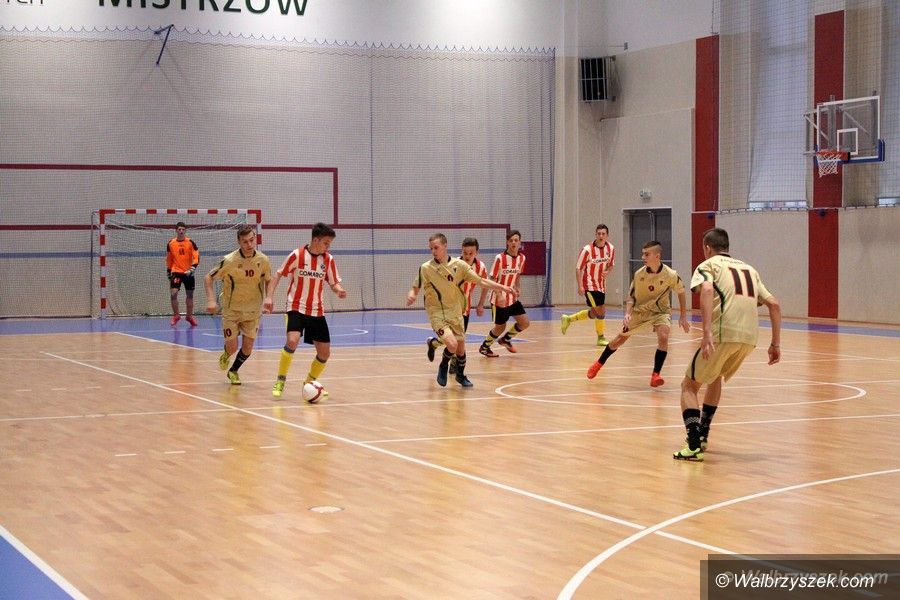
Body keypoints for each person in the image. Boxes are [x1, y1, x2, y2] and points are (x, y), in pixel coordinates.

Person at [673, 227, 781, 462]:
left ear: (707, 248)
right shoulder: (750, 269)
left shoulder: (708, 265)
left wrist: (707, 332)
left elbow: (707, 289)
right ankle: (703, 435)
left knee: (688, 386)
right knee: (715, 377)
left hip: (724, 332)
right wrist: (775, 344)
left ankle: (693, 444)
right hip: (749, 338)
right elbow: (773, 304)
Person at [408, 233, 516, 387]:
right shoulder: (426, 268)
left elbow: (482, 281)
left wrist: (503, 288)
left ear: (445, 246)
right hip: (437, 313)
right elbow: (415, 287)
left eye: (436, 248)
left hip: (457, 311)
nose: (433, 251)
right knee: (451, 344)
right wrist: (412, 294)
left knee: (460, 349)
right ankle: (443, 365)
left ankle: (460, 375)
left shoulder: (460, 266)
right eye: (431, 248)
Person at [586, 241, 690, 387]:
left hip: (660, 312)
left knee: (663, 336)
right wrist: (628, 313)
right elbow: (631, 297)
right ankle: (598, 364)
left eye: (646, 254)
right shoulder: (639, 274)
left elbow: (681, 291)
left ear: (657, 256)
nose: (643, 257)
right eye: (643, 254)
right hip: (640, 311)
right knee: (618, 341)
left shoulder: (670, 274)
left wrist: (683, 316)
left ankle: (655, 375)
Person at [264, 223, 347, 402]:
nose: (328, 247)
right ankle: (280, 380)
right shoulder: (297, 255)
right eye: (326, 243)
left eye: (329, 244)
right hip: (296, 306)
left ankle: (309, 383)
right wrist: (269, 297)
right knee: (292, 341)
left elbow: (333, 282)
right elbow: (277, 275)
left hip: (317, 311)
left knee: (324, 353)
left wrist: (339, 290)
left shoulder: (328, 259)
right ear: (316, 240)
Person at [204, 225, 272, 385]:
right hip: (232, 310)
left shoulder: (263, 260)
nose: (249, 244)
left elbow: (269, 280)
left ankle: (233, 371)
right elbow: (208, 277)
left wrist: (269, 297)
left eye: (251, 240)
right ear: (239, 242)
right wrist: (211, 300)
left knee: (248, 348)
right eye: (245, 242)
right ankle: (226, 354)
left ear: (255, 238)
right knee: (233, 347)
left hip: (253, 310)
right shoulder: (230, 260)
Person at [423, 237, 489, 375]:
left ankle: (434, 344)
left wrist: (481, 304)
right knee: (453, 340)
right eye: (465, 253)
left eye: (471, 253)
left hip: (465, 309)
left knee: (458, 339)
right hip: (449, 308)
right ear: (461, 251)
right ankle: (453, 365)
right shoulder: (454, 265)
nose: (467, 256)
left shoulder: (481, 267)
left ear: (477, 253)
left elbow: (484, 285)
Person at [561, 224, 615, 345]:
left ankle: (568, 319)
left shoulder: (610, 248)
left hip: (601, 285)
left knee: (594, 313)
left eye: (603, 234)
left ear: (607, 235)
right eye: (599, 233)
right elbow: (578, 268)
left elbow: (611, 265)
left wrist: (608, 271)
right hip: (589, 285)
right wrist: (580, 285)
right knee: (601, 310)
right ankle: (601, 337)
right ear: (595, 234)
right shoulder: (587, 250)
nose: (601, 236)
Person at [478, 230, 529, 357]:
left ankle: (505, 339)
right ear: (507, 242)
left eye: (516, 240)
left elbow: (518, 274)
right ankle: (484, 347)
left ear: (520, 242)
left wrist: (517, 287)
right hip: (498, 298)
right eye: (511, 240)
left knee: (524, 323)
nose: (513, 243)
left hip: (512, 297)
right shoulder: (500, 258)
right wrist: (499, 295)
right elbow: (492, 279)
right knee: (500, 327)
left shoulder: (522, 258)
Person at [166, 221, 200, 326]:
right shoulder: (171, 243)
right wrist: (168, 270)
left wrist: (193, 268)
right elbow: (169, 258)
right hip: (176, 272)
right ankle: (176, 315)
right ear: (176, 230)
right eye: (179, 229)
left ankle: (189, 316)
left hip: (188, 273)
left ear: (185, 231)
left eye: (183, 229)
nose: (181, 231)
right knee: (173, 294)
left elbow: (196, 256)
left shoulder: (190, 242)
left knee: (190, 295)